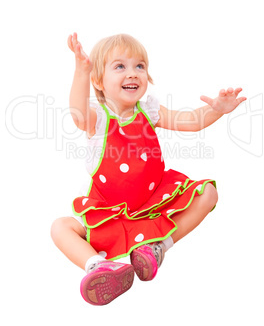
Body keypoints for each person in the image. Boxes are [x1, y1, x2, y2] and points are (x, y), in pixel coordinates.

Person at [51, 32, 246, 306]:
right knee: (60, 227)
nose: (132, 73)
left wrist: (218, 110)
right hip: (111, 211)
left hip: (152, 202)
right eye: (120, 66)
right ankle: (98, 267)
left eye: (139, 66)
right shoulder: (97, 119)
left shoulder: (150, 110)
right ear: (98, 81)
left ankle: (156, 249)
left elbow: (190, 121)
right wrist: (81, 71)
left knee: (209, 194)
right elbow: (77, 112)